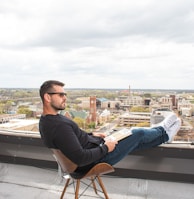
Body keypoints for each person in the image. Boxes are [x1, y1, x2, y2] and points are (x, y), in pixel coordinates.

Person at [39, 80, 181, 173]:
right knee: (137, 134)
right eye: (61, 94)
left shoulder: (47, 121)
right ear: (47, 97)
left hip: (95, 148)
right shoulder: (59, 126)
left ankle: (163, 135)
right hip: (96, 161)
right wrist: (106, 147)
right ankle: (163, 131)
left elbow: (73, 139)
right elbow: (81, 158)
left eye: (65, 94)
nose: (65, 97)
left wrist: (91, 135)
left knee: (128, 135)